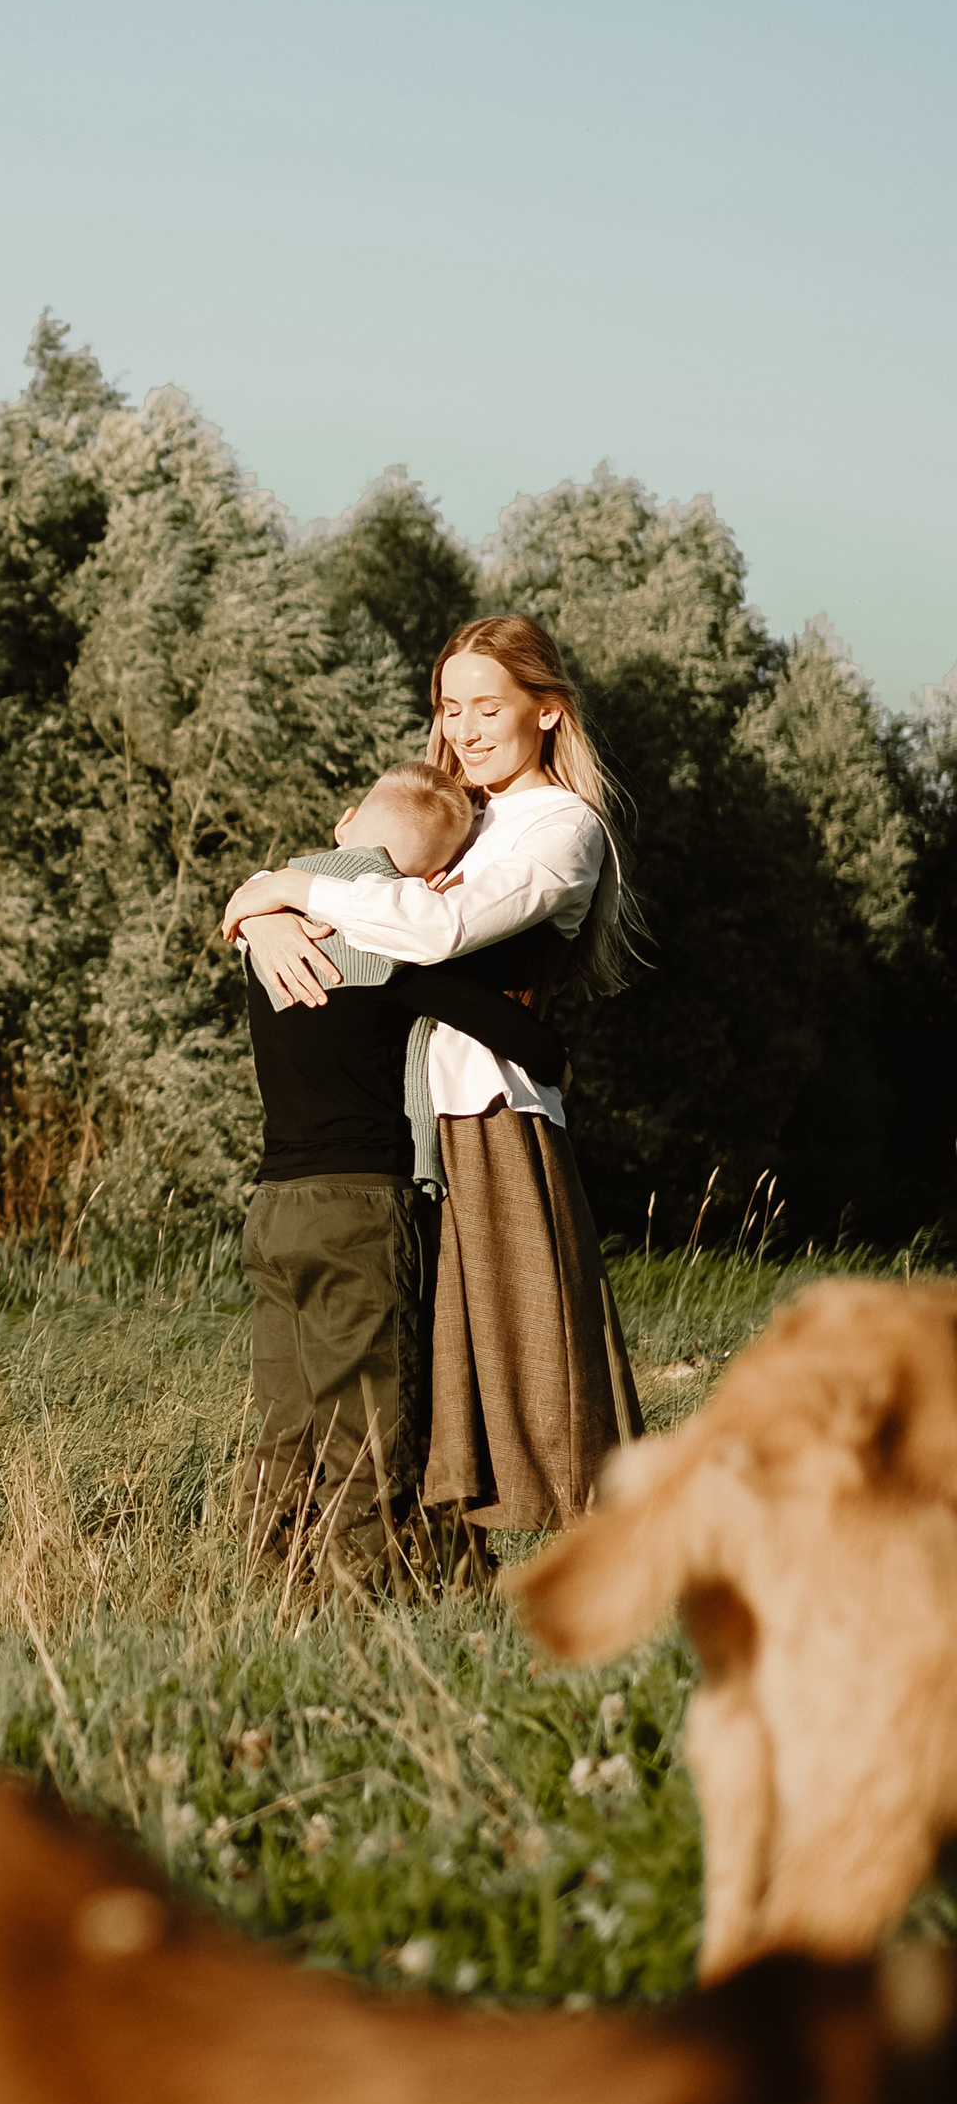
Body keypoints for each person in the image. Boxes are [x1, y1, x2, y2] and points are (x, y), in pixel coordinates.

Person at [223, 615, 644, 1538]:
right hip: (407, 1123)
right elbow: (357, 872)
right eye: (450, 708)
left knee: (505, 1358)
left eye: (487, 707)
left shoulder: (562, 828)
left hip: (484, 1116)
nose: (465, 729)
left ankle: (587, 1567)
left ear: (547, 713)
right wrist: (264, 909)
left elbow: (434, 931)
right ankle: (426, 1570)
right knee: (404, 1366)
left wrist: (283, 892)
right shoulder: (459, 814)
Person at [234, 759, 571, 1589]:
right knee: (368, 1429)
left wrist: (259, 904)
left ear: (347, 821)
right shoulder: (394, 946)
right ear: (433, 879)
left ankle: (265, 1599)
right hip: (362, 1207)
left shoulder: (269, 926)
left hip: (274, 1207)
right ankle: (367, 1613)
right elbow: (540, 1051)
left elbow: (262, 904)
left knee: (284, 1424)